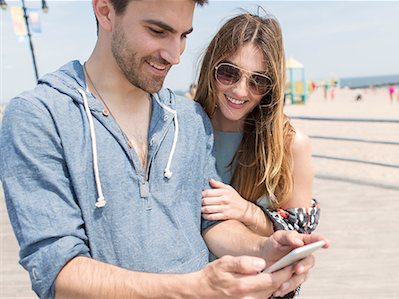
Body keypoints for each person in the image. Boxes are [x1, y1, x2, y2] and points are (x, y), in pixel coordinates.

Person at [0, 1, 329, 299]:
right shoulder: (38, 117)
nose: (175, 55)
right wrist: (193, 288)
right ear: (105, 10)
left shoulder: (188, 117)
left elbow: (210, 224)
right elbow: (57, 271)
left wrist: (263, 248)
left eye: (184, 35)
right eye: (158, 31)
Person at [195, 13, 321, 298]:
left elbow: (296, 239)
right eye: (228, 72)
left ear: (272, 86)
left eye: (258, 81)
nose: (239, 90)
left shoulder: (290, 145)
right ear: (210, 67)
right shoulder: (184, 128)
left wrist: (247, 211)